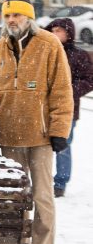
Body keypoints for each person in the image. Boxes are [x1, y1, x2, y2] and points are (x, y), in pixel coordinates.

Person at [0, 0, 74, 244]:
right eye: (9, 15)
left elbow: (62, 90)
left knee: (41, 195)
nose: (12, 20)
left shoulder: (49, 44)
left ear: (29, 17)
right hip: (8, 135)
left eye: (18, 15)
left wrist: (60, 130)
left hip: (41, 135)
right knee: (14, 199)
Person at [44, 17, 93, 197]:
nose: (55, 34)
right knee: (39, 146)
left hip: (68, 109)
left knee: (63, 146)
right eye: (53, 30)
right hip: (42, 108)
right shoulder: (44, 51)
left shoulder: (78, 55)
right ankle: (40, 180)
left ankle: (60, 183)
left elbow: (89, 80)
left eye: (60, 31)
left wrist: (67, 92)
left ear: (68, 33)